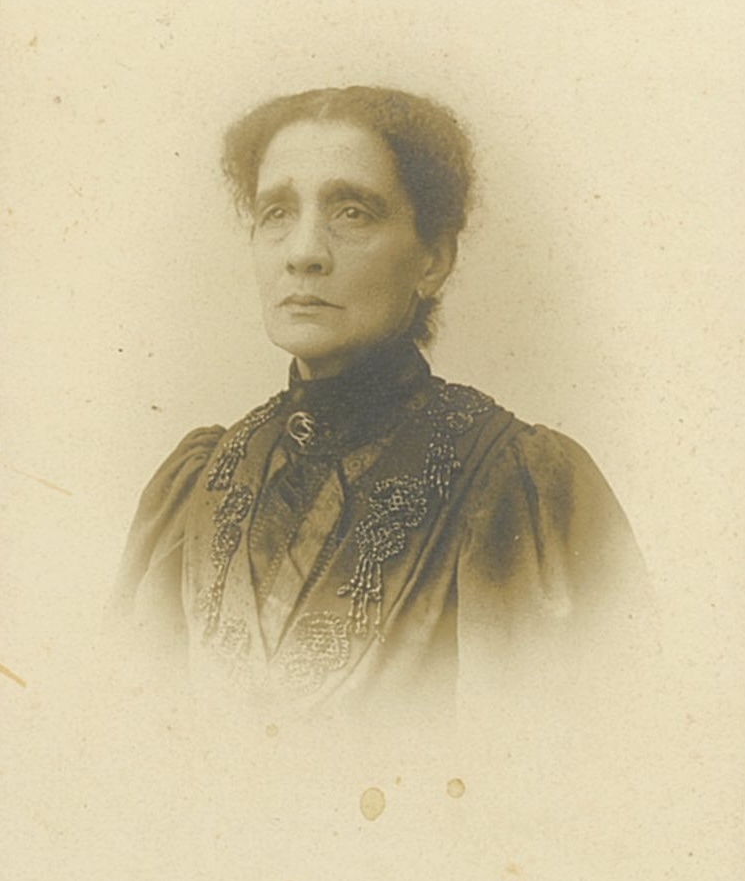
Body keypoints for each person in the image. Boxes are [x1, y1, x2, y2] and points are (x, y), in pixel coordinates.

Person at [111, 86, 650, 730]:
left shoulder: (516, 484)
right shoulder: (197, 484)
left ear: (433, 260)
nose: (303, 252)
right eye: (276, 212)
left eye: (352, 212)